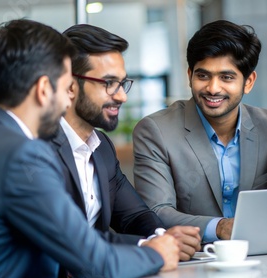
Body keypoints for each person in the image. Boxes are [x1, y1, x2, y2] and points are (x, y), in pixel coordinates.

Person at [0, 19, 179, 278]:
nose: (69, 96)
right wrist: (158, 254)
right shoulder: (23, 155)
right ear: (45, 89)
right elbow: (98, 265)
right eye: (66, 85)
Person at [132, 19, 267, 242]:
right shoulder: (156, 131)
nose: (213, 88)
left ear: (249, 81)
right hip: (191, 263)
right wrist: (219, 227)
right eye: (203, 76)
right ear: (189, 76)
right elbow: (156, 212)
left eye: (226, 77)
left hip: (264, 256)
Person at [51, 24, 200, 261]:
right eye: (108, 83)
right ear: (70, 85)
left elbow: (133, 216)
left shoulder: (101, 147)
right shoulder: (38, 148)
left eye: (122, 83)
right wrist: (149, 244)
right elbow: (64, 237)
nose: (122, 96)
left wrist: (164, 237)